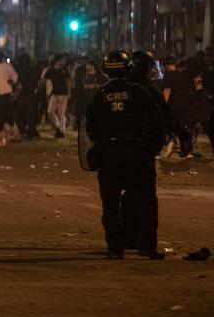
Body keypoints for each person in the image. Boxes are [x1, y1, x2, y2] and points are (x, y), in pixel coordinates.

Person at [85, 50, 166, 260]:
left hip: (110, 154)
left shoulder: (100, 95)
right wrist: (150, 149)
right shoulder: (140, 93)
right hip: (137, 154)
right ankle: (147, 246)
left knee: (110, 203)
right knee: (147, 201)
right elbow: (156, 123)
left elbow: (90, 127)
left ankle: (115, 248)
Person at [45, 54, 71, 138]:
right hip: (54, 93)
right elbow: (47, 82)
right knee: (50, 111)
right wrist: (47, 94)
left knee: (61, 113)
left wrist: (69, 92)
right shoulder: (50, 71)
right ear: (57, 61)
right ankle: (57, 127)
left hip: (63, 94)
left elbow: (68, 82)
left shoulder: (65, 70)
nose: (62, 62)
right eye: (61, 60)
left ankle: (62, 131)